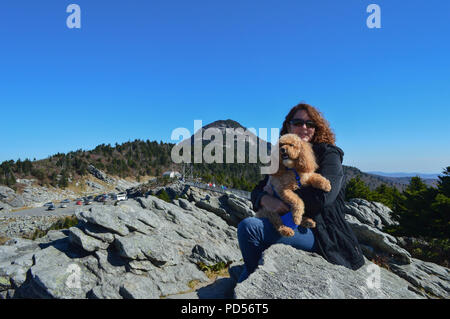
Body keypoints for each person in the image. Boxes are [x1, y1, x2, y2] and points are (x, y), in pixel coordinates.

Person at [236, 102, 365, 283]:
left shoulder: (328, 155)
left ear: (316, 128)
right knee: (252, 231)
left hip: (319, 233)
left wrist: (282, 199)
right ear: (288, 126)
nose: (304, 128)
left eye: (309, 124)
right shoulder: (282, 154)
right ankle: (249, 281)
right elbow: (258, 189)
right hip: (283, 222)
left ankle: (248, 282)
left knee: (250, 229)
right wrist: (265, 199)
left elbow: (324, 198)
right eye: (298, 123)